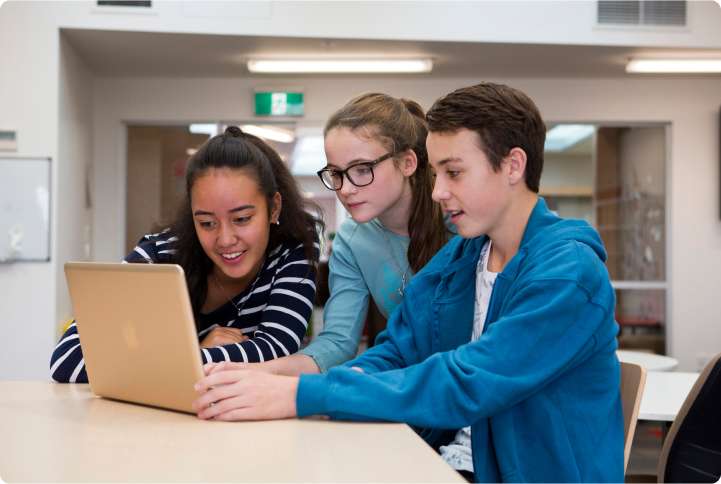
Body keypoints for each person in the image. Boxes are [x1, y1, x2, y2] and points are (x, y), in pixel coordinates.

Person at [193, 83, 624, 483]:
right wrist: (287, 389)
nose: (437, 193)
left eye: (454, 172)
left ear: (513, 165)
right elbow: (398, 352)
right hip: (448, 461)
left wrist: (301, 395)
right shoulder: (465, 255)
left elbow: (466, 382)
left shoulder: (567, 273)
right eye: (437, 174)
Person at [50, 126, 321, 383]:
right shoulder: (158, 255)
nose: (225, 239)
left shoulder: (292, 251)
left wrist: (158, 361)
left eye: (242, 219)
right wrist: (195, 349)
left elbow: (276, 350)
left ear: (273, 208)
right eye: (206, 223)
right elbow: (67, 360)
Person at [236, 92, 449, 376]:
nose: (345, 189)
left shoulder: (459, 220)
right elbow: (337, 343)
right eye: (336, 173)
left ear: (408, 163)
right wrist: (254, 374)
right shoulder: (352, 238)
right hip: (418, 388)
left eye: (362, 170)